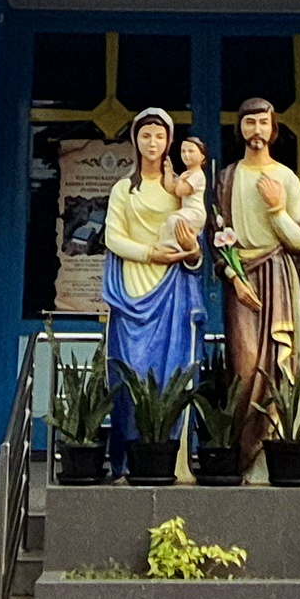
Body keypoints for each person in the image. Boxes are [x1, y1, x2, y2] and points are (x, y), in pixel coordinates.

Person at [220, 96, 300, 469]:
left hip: (278, 280)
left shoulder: (285, 178)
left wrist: (277, 209)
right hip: (242, 284)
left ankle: (276, 456)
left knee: (281, 366)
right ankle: (245, 455)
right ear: (240, 129)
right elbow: (217, 236)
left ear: (273, 128)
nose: (257, 131)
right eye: (250, 124)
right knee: (245, 367)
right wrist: (233, 275)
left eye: (263, 123)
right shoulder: (227, 177)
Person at [101, 108, 209, 438]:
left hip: (173, 292)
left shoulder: (179, 189)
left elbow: (194, 245)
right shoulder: (124, 189)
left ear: (169, 142)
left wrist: (191, 252)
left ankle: (172, 459)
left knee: (172, 375)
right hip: (133, 289)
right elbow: (112, 237)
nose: (152, 143)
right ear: (135, 140)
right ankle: (128, 460)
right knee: (129, 374)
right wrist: (150, 253)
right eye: (145, 135)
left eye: (160, 136)